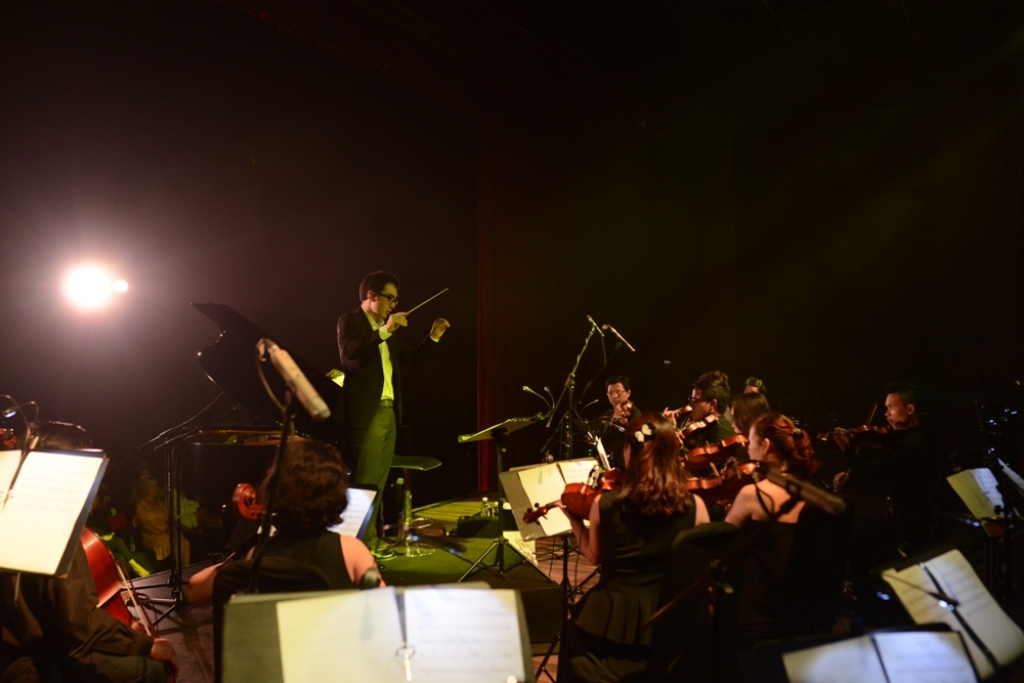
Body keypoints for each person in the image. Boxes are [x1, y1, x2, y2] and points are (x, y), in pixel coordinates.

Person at [1, 421, 177, 683]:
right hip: (37, 665)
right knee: (154, 670)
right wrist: (145, 645)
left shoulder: (9, 516)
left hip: (10, 655)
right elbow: (79, 624)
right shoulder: (55, 530)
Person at [560, 414, 709, 683]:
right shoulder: (696, 506)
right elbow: (701, 570)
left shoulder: (604, 503)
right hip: (668, 624)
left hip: (607, 622)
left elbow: (593, 556)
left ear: (628, 450)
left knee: (572, 644)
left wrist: (574, 521)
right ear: (671, 454)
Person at [184, 438, 382, 605]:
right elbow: (384, 612)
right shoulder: (352, 552)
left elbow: (193, 590)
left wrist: (234, 560)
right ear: (336, 496)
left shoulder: (255, 554)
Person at [335, 271, 449, 542]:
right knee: (364, 484)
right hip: (368, 412)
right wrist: (385, 330)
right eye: (390, 298)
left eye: (396, 300)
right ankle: (349, 549)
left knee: (378, 484)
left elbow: (413, 359)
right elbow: (350, 352)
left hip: (388, 411)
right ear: (371, 295)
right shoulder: (350, 320)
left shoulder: (387, 330)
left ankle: (366, 547)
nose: (393, 305)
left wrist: (433, 336)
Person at [725, 413, 828, 648]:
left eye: (751, 440)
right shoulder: (813, 493)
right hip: (799, 616)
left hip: (757, 618)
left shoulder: (753, 494)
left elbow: (723, 546)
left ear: (766, 444)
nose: (747, 446)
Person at [665, 370, 736, 451]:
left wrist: (678, 447)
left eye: (695, 400)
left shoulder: (722, 434)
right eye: (691, 399)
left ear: (713, 404)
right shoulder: (704, 425)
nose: (691, 405)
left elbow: (699, 458)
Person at [596, 376, 642, 468]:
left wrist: (623, 421)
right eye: (610, 393)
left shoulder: (634, 413)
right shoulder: (608, 413)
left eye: (618, 392)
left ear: (628, 393)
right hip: (607, 463)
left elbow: (637, 440)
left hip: (626, 465)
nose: (614, 396)